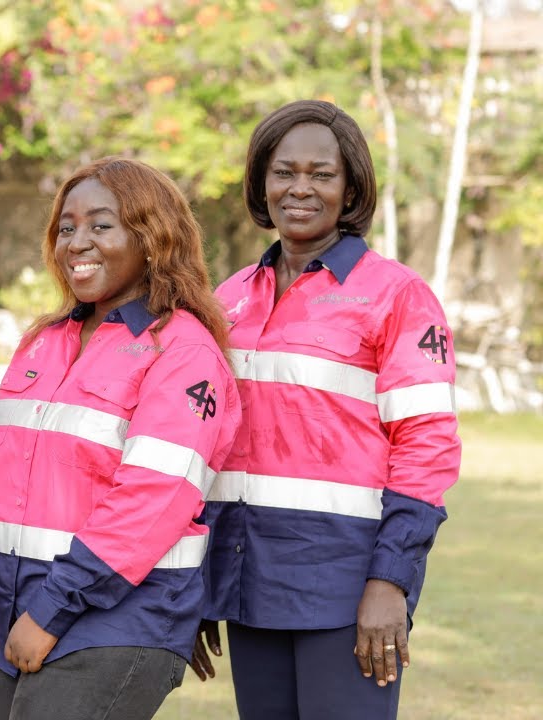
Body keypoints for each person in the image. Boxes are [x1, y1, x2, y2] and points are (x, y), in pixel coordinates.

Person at [0, 157, 240, 719]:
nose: (77, 242)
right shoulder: (43, 344)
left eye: (101, 225)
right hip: (8, 615)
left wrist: (51, 610)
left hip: (115, 621)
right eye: (67, 228)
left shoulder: (183, 352)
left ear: (151, 238)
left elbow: (150, 501)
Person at [190, 100, 462, 719]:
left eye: (322, 174)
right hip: (245, 576)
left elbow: (426, 448)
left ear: (351, 187)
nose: (301, 189)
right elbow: (205, 442)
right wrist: (198, 583)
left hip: (346, 583)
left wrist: (389, 582)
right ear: (262, 181)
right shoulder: (228, 297)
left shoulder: (397, 296)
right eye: (284, 172)